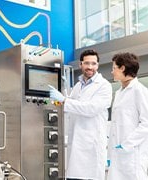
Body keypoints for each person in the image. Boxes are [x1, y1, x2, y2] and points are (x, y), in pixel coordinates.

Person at [49, 49, 112, 180]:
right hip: (76, 147)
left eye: (94, 63)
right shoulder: (78, 86)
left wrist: (64, 100)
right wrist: (59, 99)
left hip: (91, 148)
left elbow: (91, 109)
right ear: (80, 64)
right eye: (87, 63)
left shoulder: (104, 86)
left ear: (98, 65)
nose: (90, 67)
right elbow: (69, 108)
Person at [106, 52, 148, 180]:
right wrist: (110, 153)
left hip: (132, 155)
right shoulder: (118, 93)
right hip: (118, 155)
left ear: (122, 68)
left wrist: (127, 144)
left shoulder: (139, 90)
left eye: (114, 68)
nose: (112, 72)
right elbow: (116, 125)